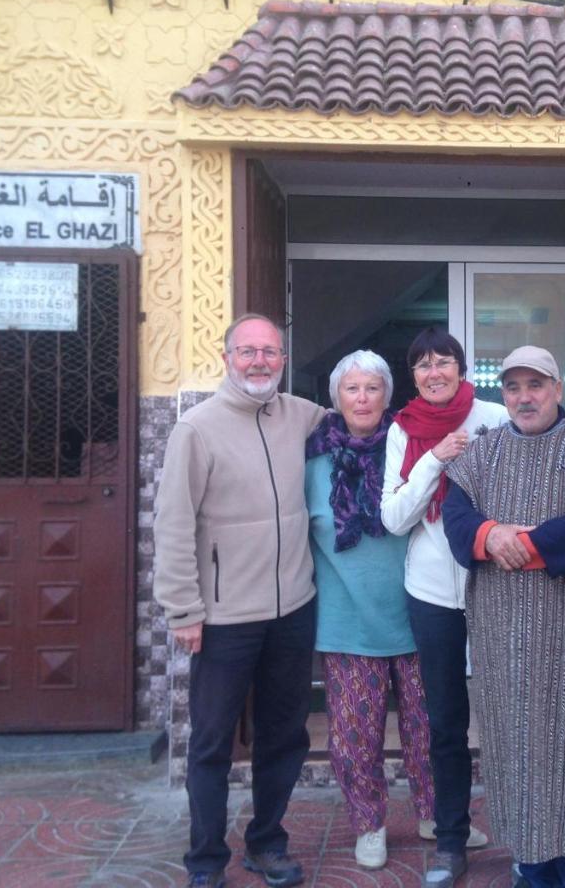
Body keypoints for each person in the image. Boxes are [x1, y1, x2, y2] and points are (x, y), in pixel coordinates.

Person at [441, 345, 565, 888]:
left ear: (557, 389)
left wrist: (516, 541)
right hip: (505, 636)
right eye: (513, 387)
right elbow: (457, 522)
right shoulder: (482, 454)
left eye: (535, 385)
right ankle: (532, 866)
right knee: (518, 747)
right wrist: (486, 535)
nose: (524, 397)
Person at [153, 313, 325, 888]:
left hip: (293, 610)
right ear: (227, 357)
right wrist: (184, 609)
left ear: (282, 358)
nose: (259, 361)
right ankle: (205, 861)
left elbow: (362, 421)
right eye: (247, 351)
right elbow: (173, 523)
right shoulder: (196, 428)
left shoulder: (300, 414)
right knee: (210, 745)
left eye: (270, 352)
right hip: (224, 619)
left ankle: (267, 843)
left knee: (285, 736)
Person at [381, 326, 503, 888]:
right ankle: (451, 839)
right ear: (414, 375)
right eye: (423, 364)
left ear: (462, 367)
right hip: (432, 594)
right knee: (446, 722)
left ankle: (531, 832)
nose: (435, 372)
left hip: (499, 588)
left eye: (445, 361)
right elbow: (394, 518)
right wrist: (433, 458)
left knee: (513, 715)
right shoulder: (402, 430)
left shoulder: (495, 418)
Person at [304, 350, 434, 870]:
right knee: (354, 735)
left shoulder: (407, 450)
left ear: (388, 395)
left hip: (417, 613)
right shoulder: (311, 461)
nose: (362, 398)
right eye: (352, 389)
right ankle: (370, 824)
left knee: (430, 727)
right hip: (346, 620)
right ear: (336, 398)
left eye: (373, 388)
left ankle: (434, 813)